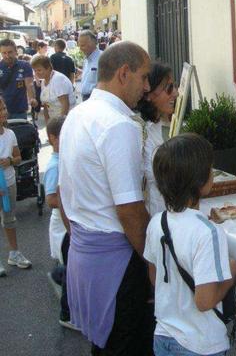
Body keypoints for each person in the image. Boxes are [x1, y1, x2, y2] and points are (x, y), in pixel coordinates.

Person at [59, 41, 153, 354]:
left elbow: (64, 192)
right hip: (117, 261)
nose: (147, 86)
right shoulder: (118, 125)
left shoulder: (77, 114)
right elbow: (129, 209)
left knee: (104, 348)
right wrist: (152, 263)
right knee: (126, 346)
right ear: (124, 74)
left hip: (86, 254)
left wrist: (79, 235)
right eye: (144, 77)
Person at [144, 133, 236, 356]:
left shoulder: (157, 222)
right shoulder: (208, 233)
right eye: (210, 168)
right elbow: (204, 301)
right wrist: (231, 272)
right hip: (201, 344)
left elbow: (154, 277)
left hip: (164, 335)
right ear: (201, 181)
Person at [43, 115, 78, 330]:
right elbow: (50, 199)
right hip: (63, 226)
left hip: (67, 223)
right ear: (52, 138)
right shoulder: (54, 166)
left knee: (68, 266)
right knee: (71, 271)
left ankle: (58, 274)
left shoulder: (64, 159)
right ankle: (67, 314)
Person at [136, 62, 178, 216]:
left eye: (174, 86)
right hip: (149, 218)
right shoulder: (138, 130)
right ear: (148, 92)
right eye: (169, 88)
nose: (176, 93)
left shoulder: (155, 126)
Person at [0, 97, 31, 275]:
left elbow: (18, 157)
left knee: (10, 219)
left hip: (9, 182)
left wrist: (10, 160)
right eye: (1, 110)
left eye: (4, 108)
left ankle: (14, 253)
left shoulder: (10, 134)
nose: (4, 112)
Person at [30, 55, 74, 123]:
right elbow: (45, 106)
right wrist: (48, 124)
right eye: (34, 71)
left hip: (66, 121)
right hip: (53, 120)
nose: (36, 73)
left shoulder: (58, 79)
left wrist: (59, 125)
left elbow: (65, 105)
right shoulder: (44, 81)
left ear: (48, 68)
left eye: (39, 70)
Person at [0, 38, 36, 120]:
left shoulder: (25, 65)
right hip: (2, 112)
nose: (7, 56)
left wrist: (32, 98)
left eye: (10, 52)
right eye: (4, 53)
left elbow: (29, 85)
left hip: (19, 111)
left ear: (16, 51)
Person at [77, 30, 101, 101]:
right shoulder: (86, 60)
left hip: (96, 99)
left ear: (92, 44)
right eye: (79, 45)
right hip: (86, 98)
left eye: (83, 45)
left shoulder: (103, 58)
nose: (80, 49)